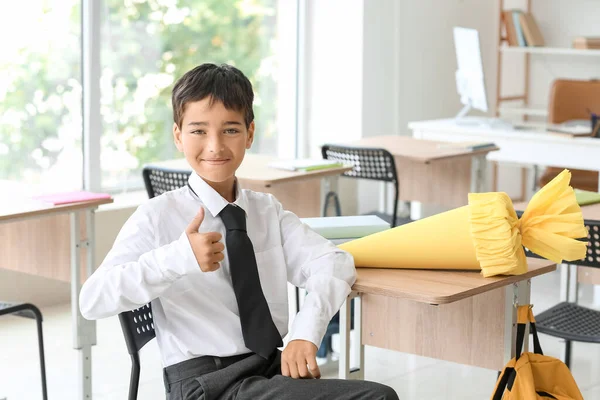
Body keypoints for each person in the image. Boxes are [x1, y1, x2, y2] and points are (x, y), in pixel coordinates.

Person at [79, 63, 399, 400]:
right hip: (206, 384)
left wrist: (306, 333)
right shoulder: (158, 216)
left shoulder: (265, 211)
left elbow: (333, 262)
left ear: (250, 133)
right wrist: (177, 258)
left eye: (230, 130)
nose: (215, 146)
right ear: (178, 136)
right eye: (199, 131)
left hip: (267, 368)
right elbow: (93, 299)